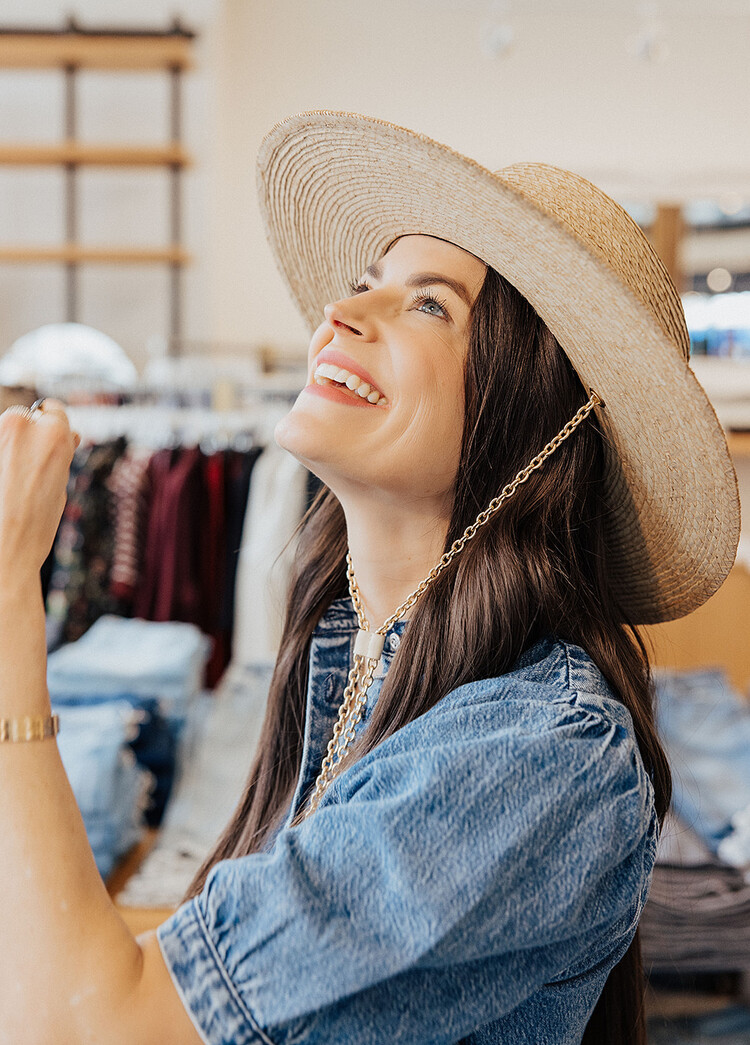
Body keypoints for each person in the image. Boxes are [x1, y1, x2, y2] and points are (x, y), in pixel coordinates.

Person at [0, 111, 739, 1045]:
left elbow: (83, 1029)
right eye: (364, 283)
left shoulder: (538, 748)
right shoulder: (347, 654)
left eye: (428, 303)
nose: (340, 314)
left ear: (529, 411)